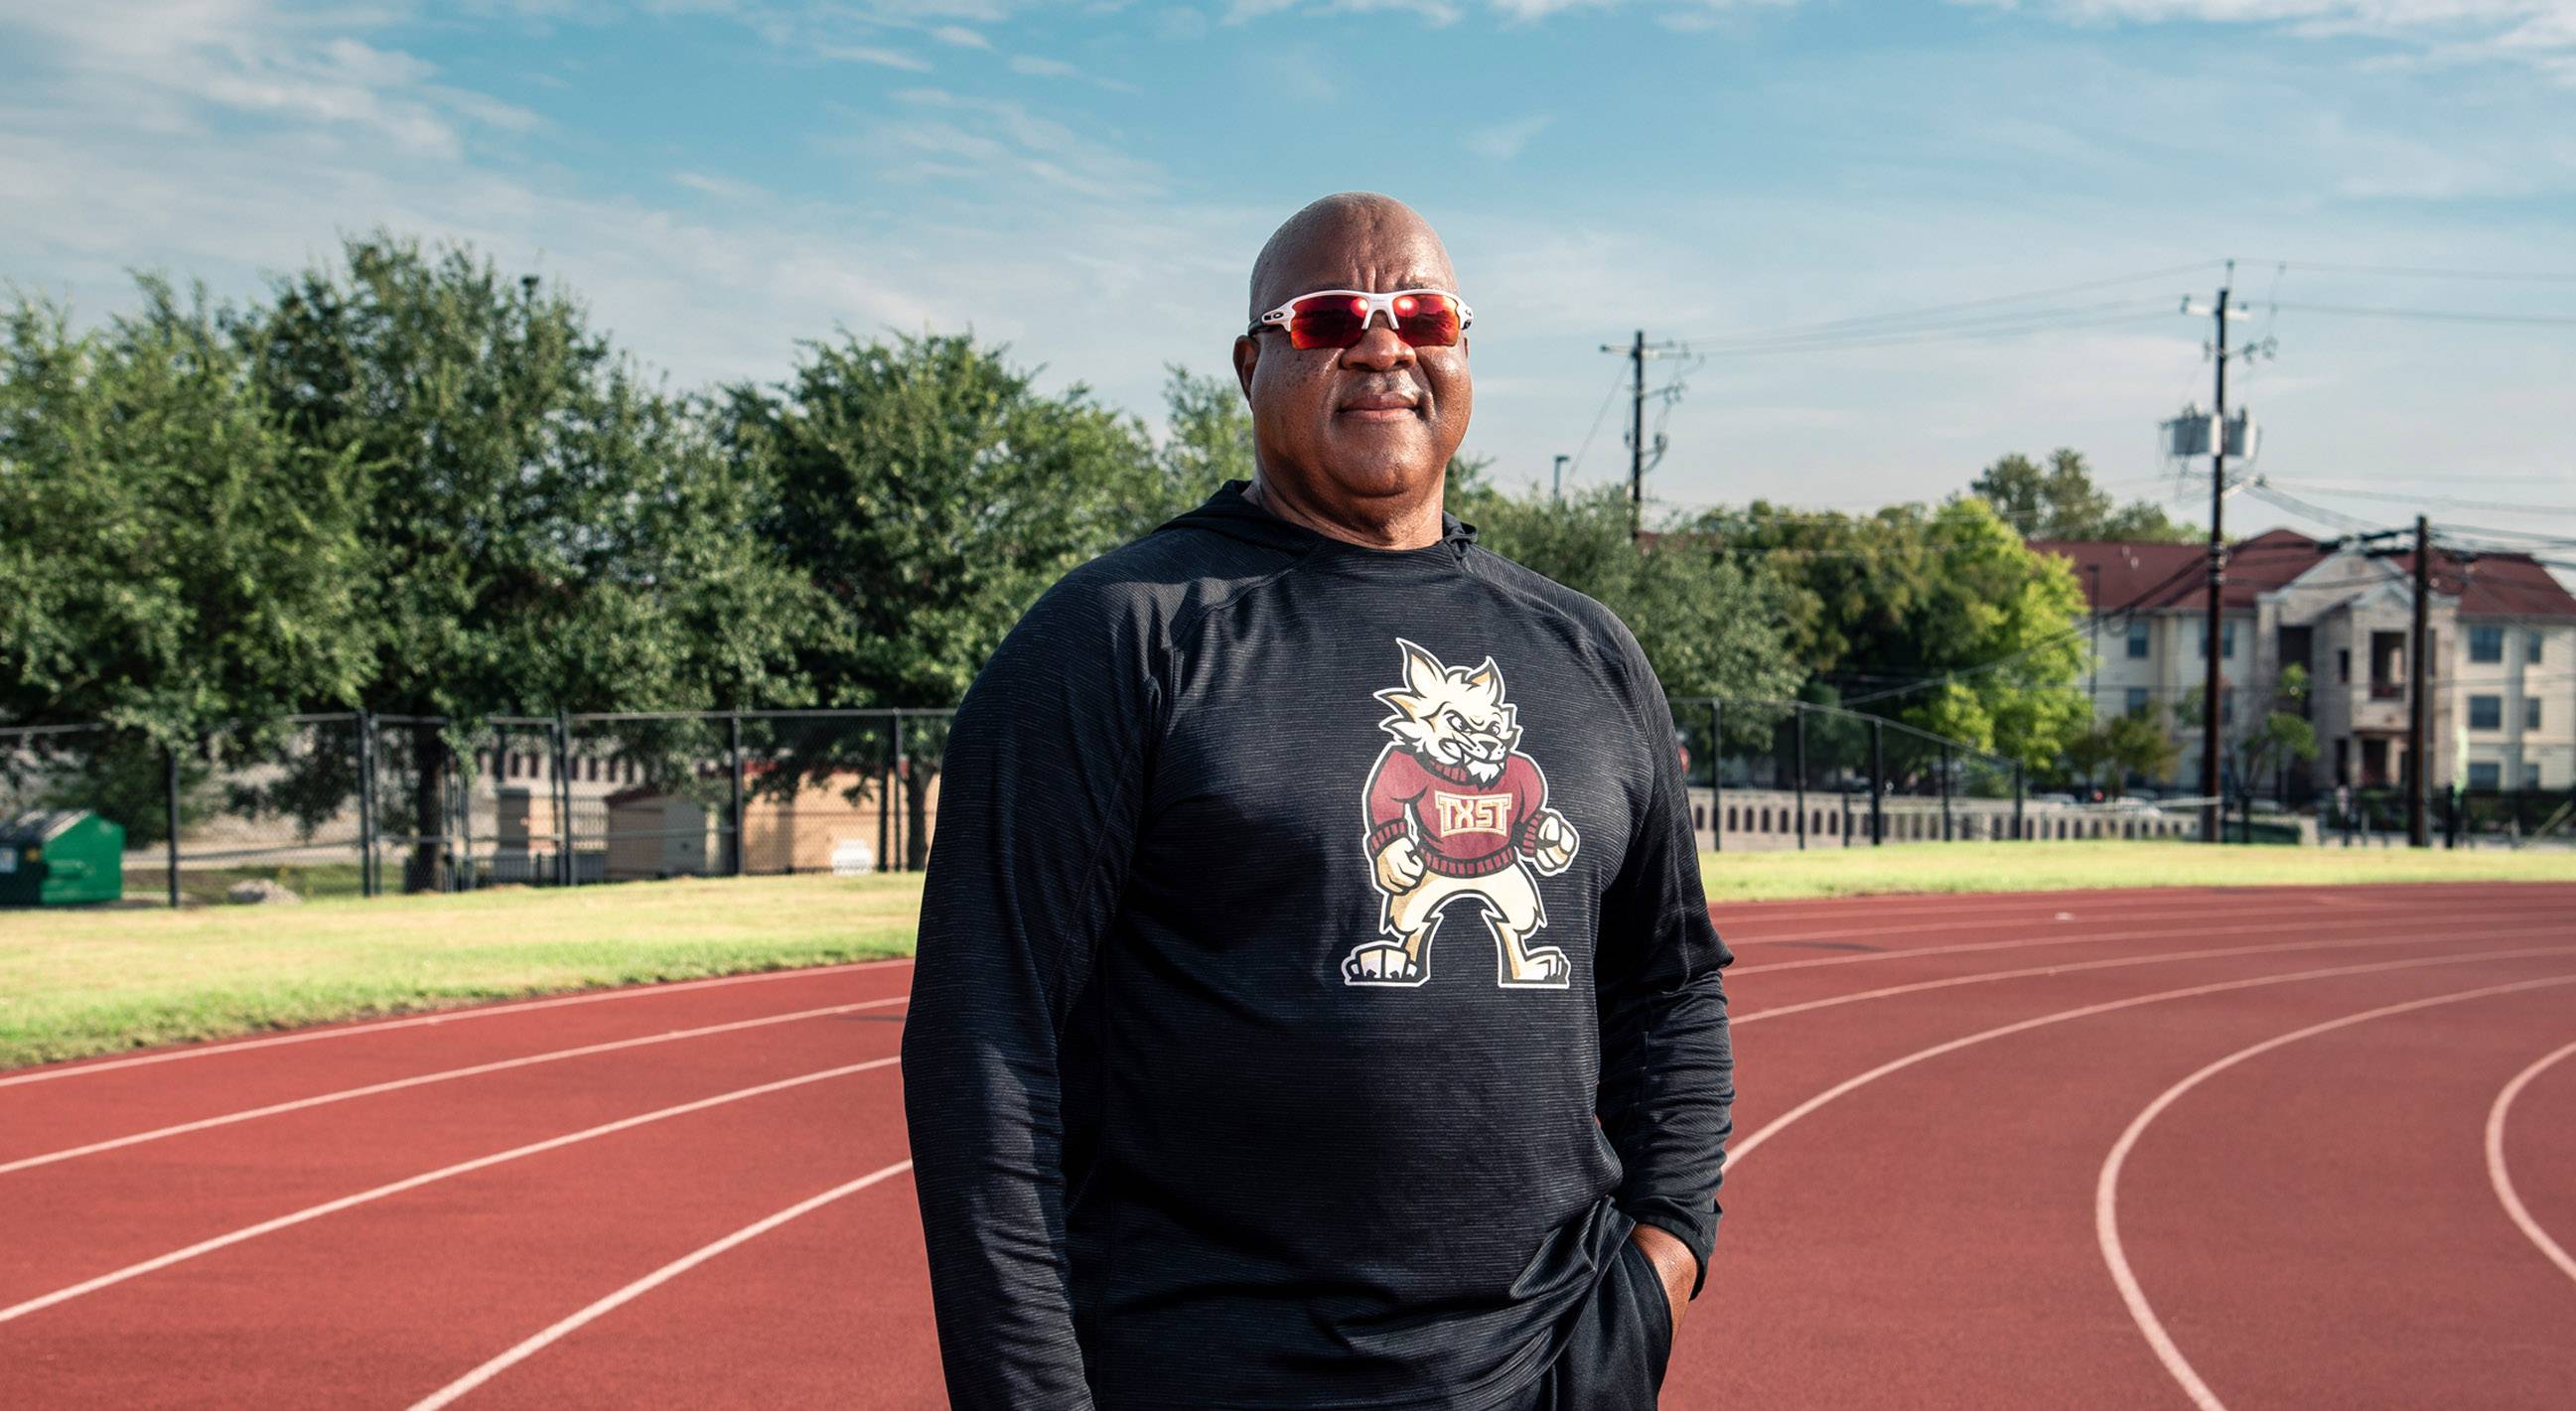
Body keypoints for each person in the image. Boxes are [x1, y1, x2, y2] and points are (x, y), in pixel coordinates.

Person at [903, 192, 1736, 1410]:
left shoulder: (1584, 649)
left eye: (1423, 313)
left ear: (1460, 350)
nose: (1383, 343)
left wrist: (1662, 1252)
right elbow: (985, 1047)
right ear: (1254, 364)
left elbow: (1668, 979)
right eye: (1331, 314)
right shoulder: (1117, 638)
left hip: (1554, 1371)